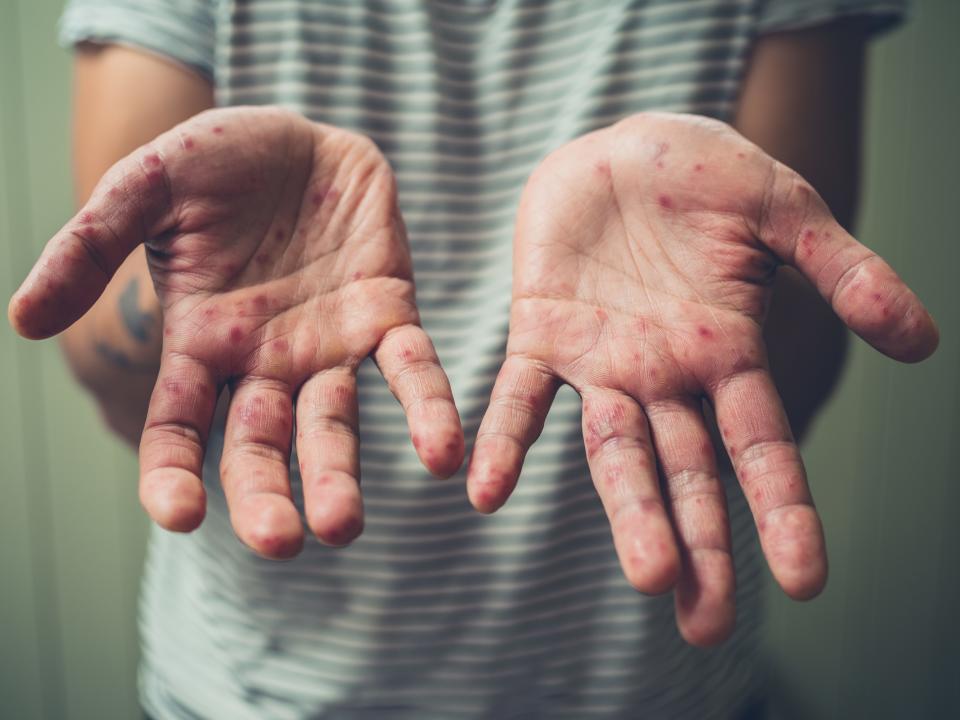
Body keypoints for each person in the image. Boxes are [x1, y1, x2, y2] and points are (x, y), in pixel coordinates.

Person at [9, 1, 938, 718]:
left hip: (649, 693)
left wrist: (723, 265)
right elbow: (116, 361)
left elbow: (779, 383)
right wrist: (189, 294)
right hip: (257, 691)